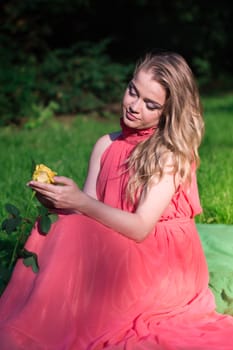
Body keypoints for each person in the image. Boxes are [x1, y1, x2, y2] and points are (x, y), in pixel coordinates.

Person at [0, 51, 233, 350]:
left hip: (164, 262)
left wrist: (80, 204)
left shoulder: (168, 156)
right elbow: (88, 216)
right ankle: (28, 324)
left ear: (168, 113)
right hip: (119, 244)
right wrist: (60, 202)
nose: (134, 106)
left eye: (151, 105)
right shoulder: (105, 145)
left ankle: (41, 333)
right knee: (62, 226)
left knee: (73, 227)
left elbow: (139, 228)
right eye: (132, 91)